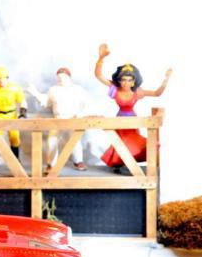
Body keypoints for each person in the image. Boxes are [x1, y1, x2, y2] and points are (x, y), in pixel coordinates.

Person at [94, 43, 172, 172]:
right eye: (123, 79)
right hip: (120, 121)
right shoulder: (115, 89)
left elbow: (156, 93)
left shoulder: (137, 92)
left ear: (134, 81)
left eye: (129, 80)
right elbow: (98, 76)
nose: (126, 83)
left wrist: (166, 80)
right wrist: (101, 59)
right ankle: (119, 165)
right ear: (119, 80)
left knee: (133, 143)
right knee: (120, 143)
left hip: (133, 122)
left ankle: (130, 166)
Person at [28, 67, 88, 173]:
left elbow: (85, 104)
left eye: (63, 77)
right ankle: (51, 164)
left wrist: (80, 114)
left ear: (69, 77)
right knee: (52, 140)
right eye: (59, 77)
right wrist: (36, 93)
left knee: (75, 140)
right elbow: (46, 102)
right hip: (57, 119)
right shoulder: (53, 90)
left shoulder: (77, 89)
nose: (61, 79)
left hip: (72, 119)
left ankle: (78, 161)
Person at [0, 66, 28, 173]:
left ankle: (16, 161)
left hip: (12, 115)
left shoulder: (15, 88)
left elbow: (22, 101)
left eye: (3, 78)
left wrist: (23, 111)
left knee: (14, 138)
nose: (1, 80)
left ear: (7, 77)